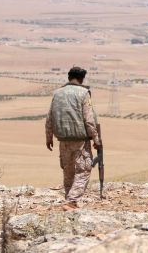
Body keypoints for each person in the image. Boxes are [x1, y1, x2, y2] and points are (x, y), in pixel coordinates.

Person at [45, 66, 101, 211]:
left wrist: (48, 136)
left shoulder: (57, 93)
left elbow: (50, 117)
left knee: (68, 171)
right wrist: (95, 138)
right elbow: (88, 119)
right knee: (84, 170)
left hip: (63, 140)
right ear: (82, 79)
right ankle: (71, 201)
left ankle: (68, 202)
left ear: (69, 77)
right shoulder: (84, 93)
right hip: (80, 140)